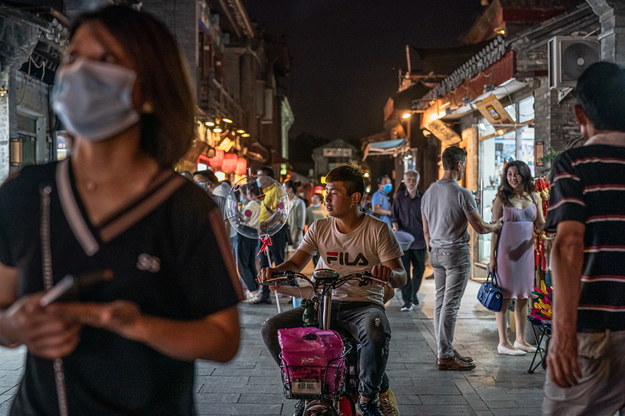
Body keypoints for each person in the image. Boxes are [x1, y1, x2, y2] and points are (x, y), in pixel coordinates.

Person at [0, 6, 241, 415]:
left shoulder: (185, 209)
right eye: (74, 57)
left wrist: (137, 325)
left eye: (106, 60)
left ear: (147, 90)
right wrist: (14, 326)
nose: (79, 73)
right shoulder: (24, 193)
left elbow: (222, 339)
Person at [259, 165, 406, 416]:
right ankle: (304, 392)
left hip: (363, 305)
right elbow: (295, 263)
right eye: (326, 192)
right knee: (271, 328)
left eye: (333, 193)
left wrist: (388, 274)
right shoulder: (319, 228)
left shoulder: (377, 230)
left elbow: (401, 277)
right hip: (322, 302)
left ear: (355, 198)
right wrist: (274, 271)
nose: (326, 198)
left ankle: (368, 398)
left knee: (377, 331)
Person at [542, 61, 625, 415]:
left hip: (595, 330)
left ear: (579, 113)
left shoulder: (575, 163)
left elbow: (569, 243)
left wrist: (562, 336)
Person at [421, 146, 502, 371]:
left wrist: (432, 247)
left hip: (436, 252)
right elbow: (479, 226)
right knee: (451, 304)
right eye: (464, 164)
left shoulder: (428, 192)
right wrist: (496, 225)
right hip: (455, 253)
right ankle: (445, 355)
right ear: (458, 165)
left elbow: (425, 229)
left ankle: (443, 350)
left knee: (441, 302)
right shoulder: (461, 193)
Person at [489, 161, 545, 356]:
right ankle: (503, 342)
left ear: (524, 175)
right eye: (509, 174)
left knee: (523, 295)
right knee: (504, 296)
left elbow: (541, 225)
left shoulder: (535, 196)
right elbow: (494, 230)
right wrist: (492, 258)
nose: (513, 178)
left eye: (516, 174)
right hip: (506, 253)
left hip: (526, 253)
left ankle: (520, 339)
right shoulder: (501, 198)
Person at [251, 166, 289, 305]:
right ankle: (265, 294)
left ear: (268, 177)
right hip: (265, 232)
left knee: (279, 262)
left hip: (275, 232)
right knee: (264, 261)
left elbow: (280, 211)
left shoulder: (277, 190)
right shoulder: (266, 192)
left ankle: (294, 290)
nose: (258, 179)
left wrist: (266, 223)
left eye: (260, 176)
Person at [391, 170, 426, 311]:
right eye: (409, 179)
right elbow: (394, 216)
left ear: (418, 180)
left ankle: (413, 293)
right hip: (404, 242)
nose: (411, 181)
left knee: (420, 269)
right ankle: (407, 301)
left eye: (413, 179)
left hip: (419, 240)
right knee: (404, 271)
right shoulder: (399, 197)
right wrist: (395, 226)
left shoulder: (423, 197)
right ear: (404, 181)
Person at [237, 183, 262, 301]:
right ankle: (255, 288)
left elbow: (243, 218)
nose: (245, 195)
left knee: (243, 264)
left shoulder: (252, 204)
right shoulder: (259, 204)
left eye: (246, 192)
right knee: (251, 262)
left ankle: (252, 291)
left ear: (251, 193)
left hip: (245, 231)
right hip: (253, 233)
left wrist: (237, 210)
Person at [306, 192, 329, 267]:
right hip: (314, 234)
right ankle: (317, 268)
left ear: (320, 199)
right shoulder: (309, 210)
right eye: (313, 197)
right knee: (315, 253)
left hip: (325, 234)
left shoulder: (326, 209)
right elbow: (305, 221)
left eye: (316, 198)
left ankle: (323, 268)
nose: (314, 199)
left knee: (323, 253)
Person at [284, 180, 306, 252]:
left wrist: (296, 240)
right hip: (284, 237)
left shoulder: (299, 203)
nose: (282, 190)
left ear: (290, 189)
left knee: (292, 261)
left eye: (284, 188)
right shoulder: (283, 202)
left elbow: (301, 224)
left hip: (294, 237)